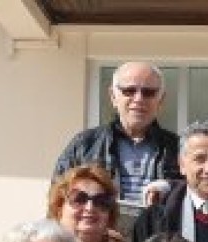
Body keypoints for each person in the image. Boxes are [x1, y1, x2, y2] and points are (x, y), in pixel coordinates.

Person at [53, 61, 181, 205]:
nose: (138, 99)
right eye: (129, 91)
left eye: (148, 92)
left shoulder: (179, 149)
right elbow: (58, 200)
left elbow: (195, 195)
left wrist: (167, 186)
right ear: (113, 96)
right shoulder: (85, 145)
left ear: (161, 100)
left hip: (159, 221)